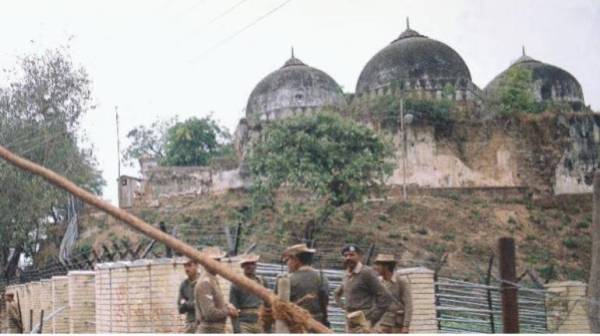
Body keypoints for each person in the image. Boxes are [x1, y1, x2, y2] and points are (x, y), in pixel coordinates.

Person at [334, 244, 391, 333]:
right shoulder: (347, 274)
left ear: (360, 257)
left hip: (364, 322)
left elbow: (385, 297)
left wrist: (372, 320)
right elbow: (337, 292)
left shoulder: (367, 273)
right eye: (346, 255)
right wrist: (343, 306)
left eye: (352, 255)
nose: (348, 258)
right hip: (350, 321)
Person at [279, 243, 330, 327]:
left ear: (295, 260)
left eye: (288, 260)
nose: (287, 264)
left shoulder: (287, 280)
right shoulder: (323, 278)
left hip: (295, 325)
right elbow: (325, 302)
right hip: (318, 325)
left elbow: (278, 306)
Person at [194, 250, 239, 333]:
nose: (217, 264)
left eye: (219, 261)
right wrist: (228, 311)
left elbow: (217, 303)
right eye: (214, 261)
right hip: (209, 330)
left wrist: (227, 305)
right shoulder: (205, 282)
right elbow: (210, 313)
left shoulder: (212, 279)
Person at [373, 254, 412, 333]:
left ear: (386, 266)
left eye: (379, 265)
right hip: (381, 324)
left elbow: (408, 304)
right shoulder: (378, 282)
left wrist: (406, 325)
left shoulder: (400, 282)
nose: (376, 268)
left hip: (396, 325)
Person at [229, 255, 267, 333]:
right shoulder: (236, 284)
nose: (250, 266)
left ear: (256, 265)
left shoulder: (262, 281)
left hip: (260, 322)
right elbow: (233, 309)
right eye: (247, 264)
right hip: (244, 323)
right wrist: (236, 329)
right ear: (242, 266)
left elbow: (268, 304)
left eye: (252, 263)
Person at [178, 257, 200, 333]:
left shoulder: (203, 281)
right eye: (185, 266)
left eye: (189, 265)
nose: (186, 269)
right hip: (189, 323)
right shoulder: (184, 284)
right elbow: (180, 308)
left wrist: (186, 304)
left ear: (197, 265)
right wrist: (192, 304)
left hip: (203, 323)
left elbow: (202, 305)